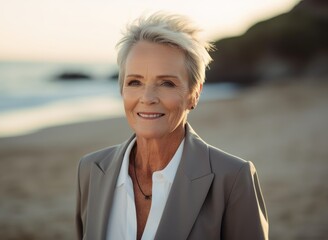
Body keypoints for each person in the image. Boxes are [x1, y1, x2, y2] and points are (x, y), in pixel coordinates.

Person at [75, 12, 268, 240]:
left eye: (167, 83)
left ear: (194, 94)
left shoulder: (233, 178)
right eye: (135, 82)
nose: (147, 98)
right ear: (122, 90)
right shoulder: (91, 169)